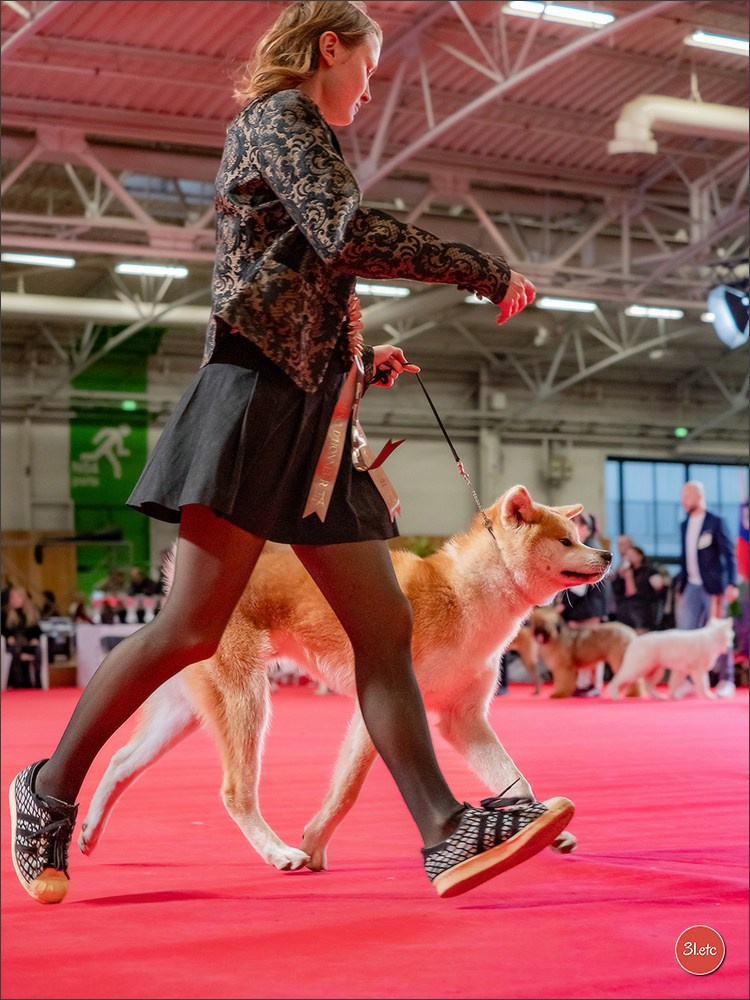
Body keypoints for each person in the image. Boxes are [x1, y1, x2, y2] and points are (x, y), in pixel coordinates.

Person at [9, 0, 572, 907]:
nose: (370, 85)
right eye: (368, 67)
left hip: (315, 425)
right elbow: (342, 237)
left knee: (384, 631)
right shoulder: (280, 119)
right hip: (251, 411)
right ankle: (46, 788)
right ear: (329, 48)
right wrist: (481, 266)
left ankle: (443, 834)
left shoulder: (308, 137)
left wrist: (358, 362)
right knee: (189, 630)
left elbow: (301, 277)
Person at [673, 480, 739, 697]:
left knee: (719, 634)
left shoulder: (716, 521)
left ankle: (725, 679)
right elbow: (685, 557)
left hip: (714, 588)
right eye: (682, 498)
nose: (683, 502)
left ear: (699, 496)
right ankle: (693, 680)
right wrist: (680, 585)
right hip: (690, 585)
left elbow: (729, 555)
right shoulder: (684, 524)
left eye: (687, 497)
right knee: (688, 635)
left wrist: (731, 583)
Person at [558, 512, 608, 696]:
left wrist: (562, 606)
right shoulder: (592, 546)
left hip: (587, 609)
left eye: (575, 525)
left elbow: (581, 584)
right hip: (587, 608)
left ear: (585, 528)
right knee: (585, 648)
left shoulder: (590, 548)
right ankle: (585, 683)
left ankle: (591, 685)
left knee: (590, 649)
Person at [611, 544, 665, 633]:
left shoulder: (649, 572)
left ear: (640, 556)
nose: (629, 558)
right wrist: (622, 575)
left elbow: (657, 591)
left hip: (642, 614)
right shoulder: (622, 573)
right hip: (624, 614)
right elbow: (616, 591)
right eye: (627, 556)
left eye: (632, 555)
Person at [2, 587, 44, 689]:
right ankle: (18, 684)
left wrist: (35, 639)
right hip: (13, 646)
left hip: (26, 645)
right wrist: (8, 637)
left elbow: (37, 631)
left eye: (17, 597)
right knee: (16, 650)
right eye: (12, 597)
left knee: (38, 650)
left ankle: (38, 683)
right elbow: (3, 630)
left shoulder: (30, 614)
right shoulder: (5, 614)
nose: (14, 599)